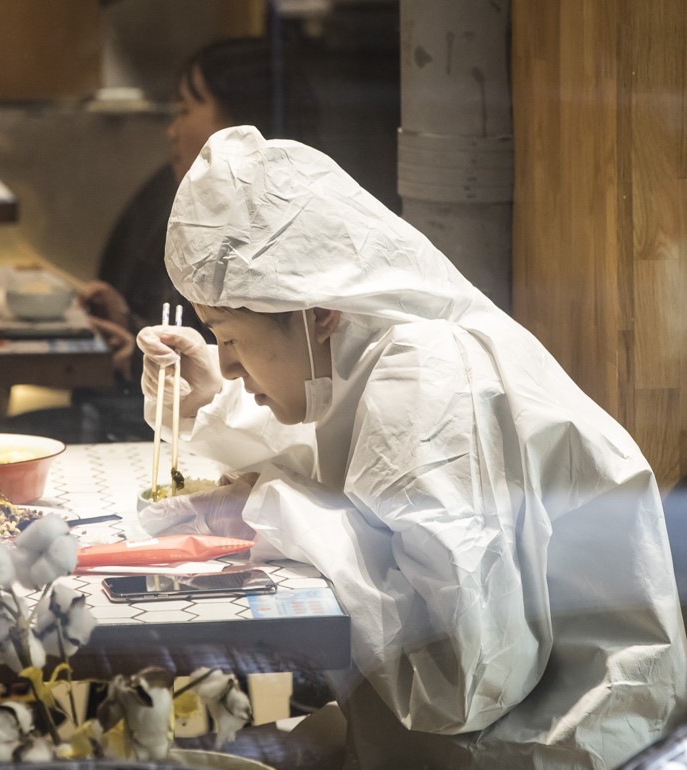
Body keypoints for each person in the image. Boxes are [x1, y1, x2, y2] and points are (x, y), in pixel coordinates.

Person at [135, 126, 687, 768]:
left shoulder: (425, 375)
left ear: (319, 313)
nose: (228, 366)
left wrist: (275, 508)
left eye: (229, 339)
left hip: (547, 745)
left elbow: (464, 682)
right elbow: (353, 474)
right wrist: (211, 404)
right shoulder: (382, 350)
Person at [83, 36, 318, 358]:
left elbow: (242, 369)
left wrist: (139, 359)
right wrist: (129, 325)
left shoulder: (270, 226)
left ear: (243, 123)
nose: (172, 130)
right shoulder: (184, 196)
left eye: (184, 110)